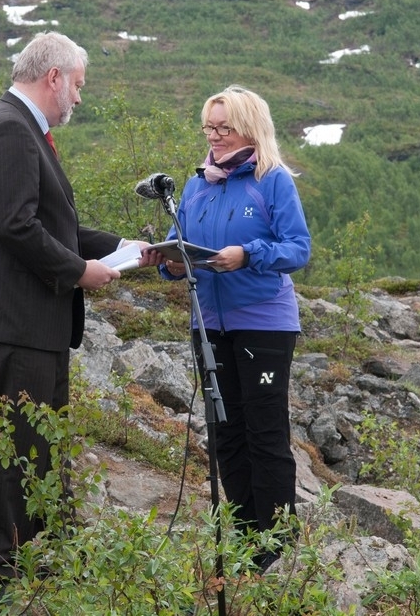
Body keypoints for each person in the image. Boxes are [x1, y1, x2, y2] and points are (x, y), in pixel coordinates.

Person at [0, 31, 161, 586]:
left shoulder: (19, 128)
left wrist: (124, 249)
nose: (79, 98)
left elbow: (52, 224)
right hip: (15, 321)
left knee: (35, 444)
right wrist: (78, 271)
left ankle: (28, 558)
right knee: (17, 447)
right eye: (79, 86)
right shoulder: (11, 131)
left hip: (29, 322)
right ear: (54, 78)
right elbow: (15, 226)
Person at [159, 85, 311, 568]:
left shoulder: (273, 181)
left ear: (250, 128)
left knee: (264, 432)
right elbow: (175, 242)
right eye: (210, 127)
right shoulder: (195, 184)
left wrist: (248, 255)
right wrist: (171, 263)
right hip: (208, 324)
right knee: (226, 433)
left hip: (264, 325)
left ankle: (277, 550)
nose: (216, 136)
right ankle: (245, 541)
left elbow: (298, 249)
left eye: (225, 127)